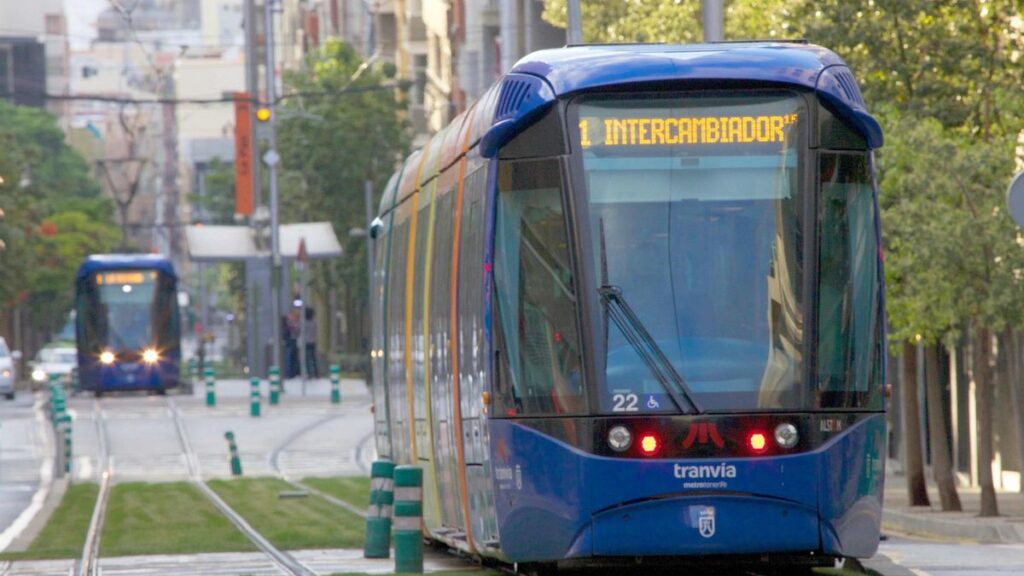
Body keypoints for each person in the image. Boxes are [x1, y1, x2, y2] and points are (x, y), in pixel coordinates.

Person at [303, 307, 319, 378]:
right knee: (313, 358)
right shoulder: (314, 322)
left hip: (306, 342)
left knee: (306, 359)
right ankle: (316, 374)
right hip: (313, 341)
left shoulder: (304, 323)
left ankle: (309, 373)